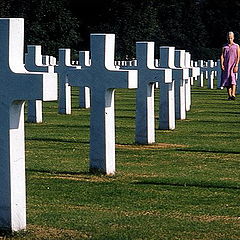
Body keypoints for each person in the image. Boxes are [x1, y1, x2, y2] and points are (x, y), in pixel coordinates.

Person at [220, 31, 240, 100]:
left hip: (233, 65)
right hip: (226, 65)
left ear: (233, 38)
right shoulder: (224, 46)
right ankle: (230, 95)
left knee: (233, 79)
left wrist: (236, 65)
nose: (230, 39)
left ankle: (233, 94)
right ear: (227, 38)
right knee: (227, 80)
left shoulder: (236, 46)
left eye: (231, 38)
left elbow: (238, 56)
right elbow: (222, 55)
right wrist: (222, 64)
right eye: (228, 38)